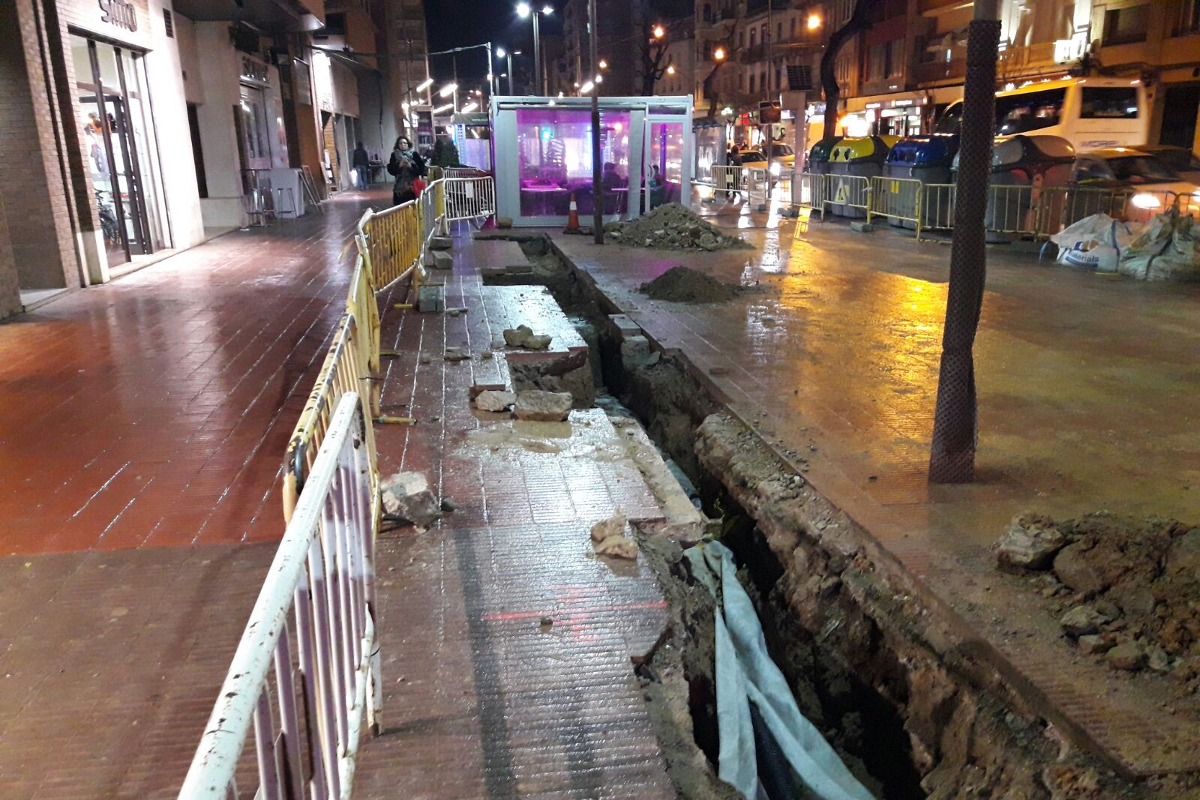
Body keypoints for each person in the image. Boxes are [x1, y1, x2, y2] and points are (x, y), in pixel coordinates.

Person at [387, 136, 426, 205]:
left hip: (413, 186)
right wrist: (399, 166)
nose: (403, 145)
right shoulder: (394, 155)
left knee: (413, 208)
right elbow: (391, 170)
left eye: (405, 143)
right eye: (400, 143)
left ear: (408, 144)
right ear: (398, 145)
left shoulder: (414, 154)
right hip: (399, 188)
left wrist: (411, 167)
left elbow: (422, 169)